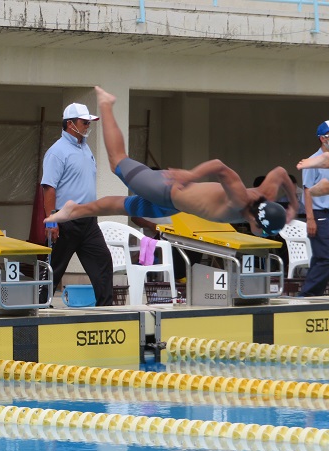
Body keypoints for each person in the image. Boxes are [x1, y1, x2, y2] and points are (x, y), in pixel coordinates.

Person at [45, 86, 299, 239]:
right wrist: (191, 175)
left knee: (121, 207)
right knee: (118, 162)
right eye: (263, 231)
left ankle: (73, 210)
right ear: (256, 220)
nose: (262, 235)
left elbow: (280, 173)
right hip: (167, 189)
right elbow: (220, 167)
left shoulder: (266, 195)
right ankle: (106, 104)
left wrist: (293, 205)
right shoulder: (240, 199)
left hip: (172, 206)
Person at [39, 102, 113, 306]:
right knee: (54, 267)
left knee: (103, 260)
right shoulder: (57, 152)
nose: (88, 125)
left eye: (89, 122)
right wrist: (51, 221)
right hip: (66, 220)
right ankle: (39, 306)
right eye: (84, 122)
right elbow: (48, 188)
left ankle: (106, 308)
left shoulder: (85, 148)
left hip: (88, 220)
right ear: (70, 124)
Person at [294, 121, 329, 296]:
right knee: (325, 257)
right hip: (320, 213)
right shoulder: (313, 161)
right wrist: (310, 219)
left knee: (320, 257)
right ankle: (307, 295)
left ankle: (313, 295)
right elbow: (307, 190)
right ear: (323, 139)